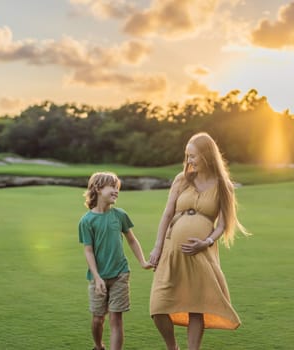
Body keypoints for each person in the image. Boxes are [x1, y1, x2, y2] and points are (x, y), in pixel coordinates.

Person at [149, 132, 249, 350]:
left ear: (206, 155)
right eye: (187, 156)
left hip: (201, 254)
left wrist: (207, 242)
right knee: (158, 307)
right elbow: (167, 214)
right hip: (171, 252)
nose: (189, 160)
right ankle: (172, 347)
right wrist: (157, 246)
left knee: (196, 305)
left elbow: (222, 225)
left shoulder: (224, 186)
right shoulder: (181, 180)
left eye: (192, 155)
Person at [79, 171, 153, 350]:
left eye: (117, 187)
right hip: (99, 278)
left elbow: (132, 240)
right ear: (97, 188)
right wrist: (97, 277)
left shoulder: (120, 215)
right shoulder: (87, 221)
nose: (116, 191)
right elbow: (88, 251)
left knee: (115, 318)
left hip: (120, 274)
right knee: (98, 319)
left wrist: (142, 261)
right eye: (112, 187)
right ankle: (98, 346)